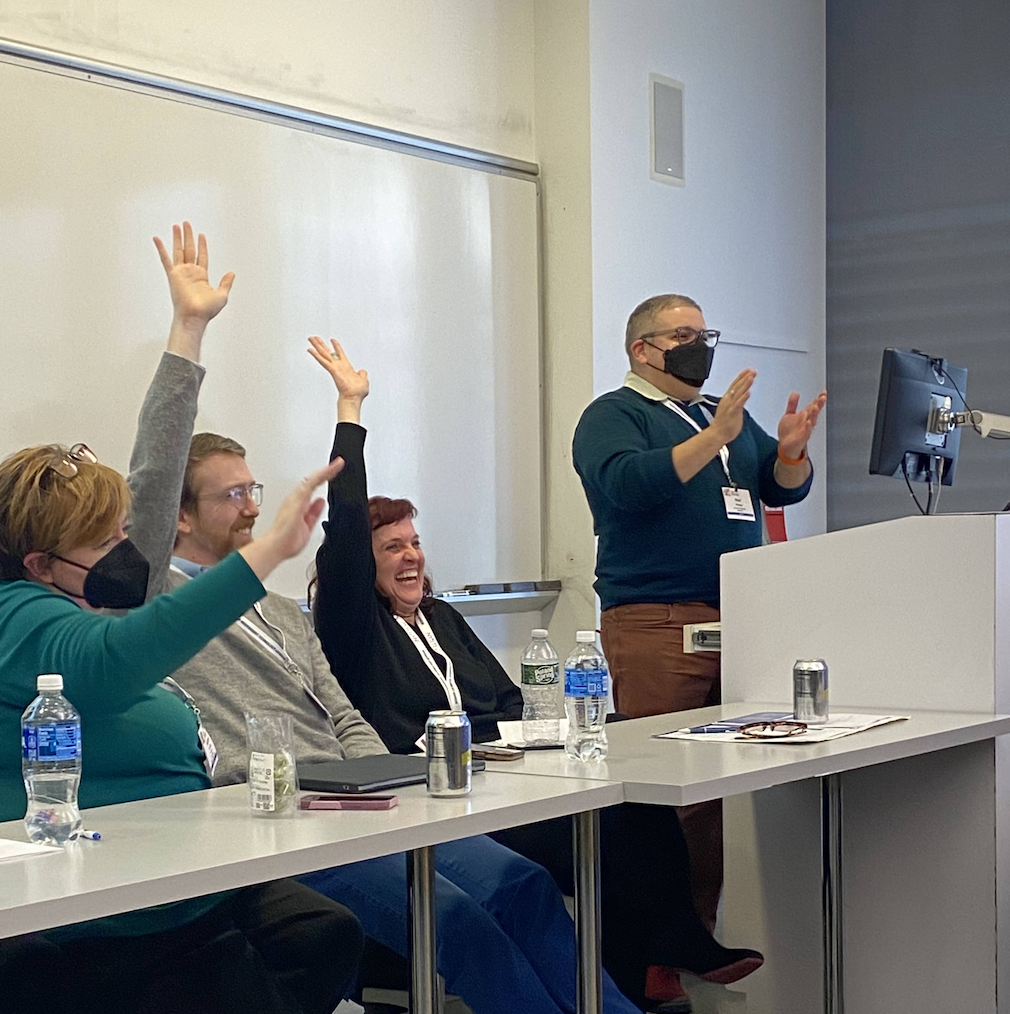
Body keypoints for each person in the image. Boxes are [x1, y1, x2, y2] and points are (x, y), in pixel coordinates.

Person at [126, 223, 644, 1014]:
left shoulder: (278, 611)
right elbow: (151, 480)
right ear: (181, 521)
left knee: (524, 883)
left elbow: (340, 712)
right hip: (270, 823)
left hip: (357, 804)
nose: (255, 506)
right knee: (461, 922)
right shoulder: (156, 602)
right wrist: (189, 330)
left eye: (255, 488)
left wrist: (386, 792)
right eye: (234, 495)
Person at [308, 336, 765, 1014]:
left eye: (415, 542)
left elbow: (507, 699)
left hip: (502, 780)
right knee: (595, 847)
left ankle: (654, 964)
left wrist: (602, 728)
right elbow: (345, 531)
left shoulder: (441, 616)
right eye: (391, 548)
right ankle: (643, 970)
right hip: (434, 798)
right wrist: (351, 410)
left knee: (636, 813)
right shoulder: (352, 630)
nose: (409, 557)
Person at [0, 230, 360, 1014]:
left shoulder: (96, 588)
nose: (133, 551)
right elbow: (116, 657)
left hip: (197, 863)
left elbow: (154, 478)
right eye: (107, 541)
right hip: (95, 901)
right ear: (38, 562)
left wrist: (188, 331)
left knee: (321, 934)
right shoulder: (21, 620)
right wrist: (262, 557)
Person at [571, 292, 827, 928]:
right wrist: (716, 436)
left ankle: (697, 937)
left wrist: (791, 452)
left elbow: (778, 486)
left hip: (739, 618)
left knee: (712, 794)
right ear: (642, 350)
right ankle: (655, 955)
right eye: (682, 335)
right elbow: (630, 485)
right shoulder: (614, 414)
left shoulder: (721, 413)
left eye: (704, 333)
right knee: (667, 793)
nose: (699, 346)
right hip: (657, 623)